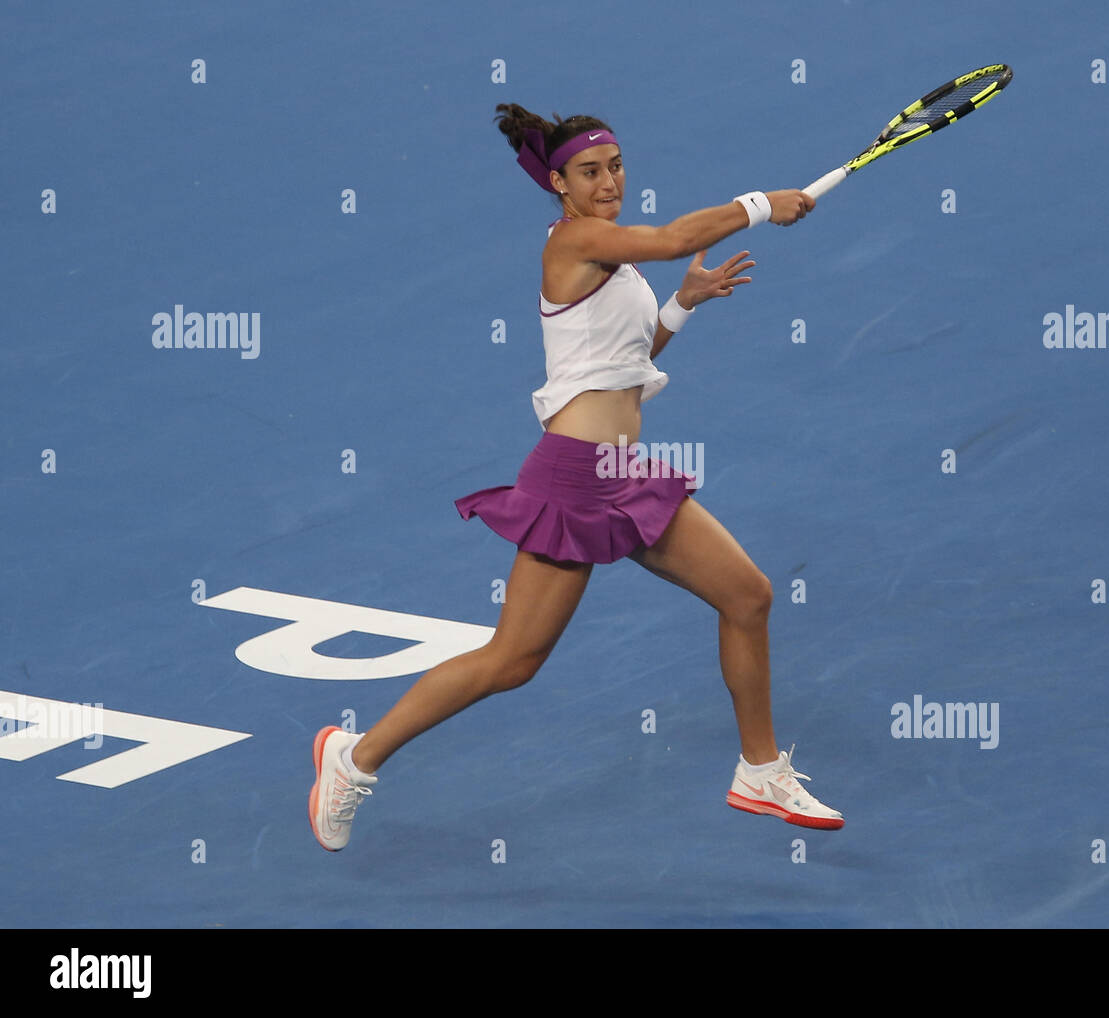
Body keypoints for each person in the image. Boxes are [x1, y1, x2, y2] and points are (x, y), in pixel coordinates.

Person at [309, 104, 843, 852]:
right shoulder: (576, 241)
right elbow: (672, 238)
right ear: (558, 185)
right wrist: (760, 205)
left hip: (624, 473)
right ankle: (353, 758)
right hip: (574, 480)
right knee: (512, 660)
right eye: (590, 172)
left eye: (616, 166)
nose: (608, 181)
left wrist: (683, 305)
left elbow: (622, 360)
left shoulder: (609, 259)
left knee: (748, 596)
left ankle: (759, 771)